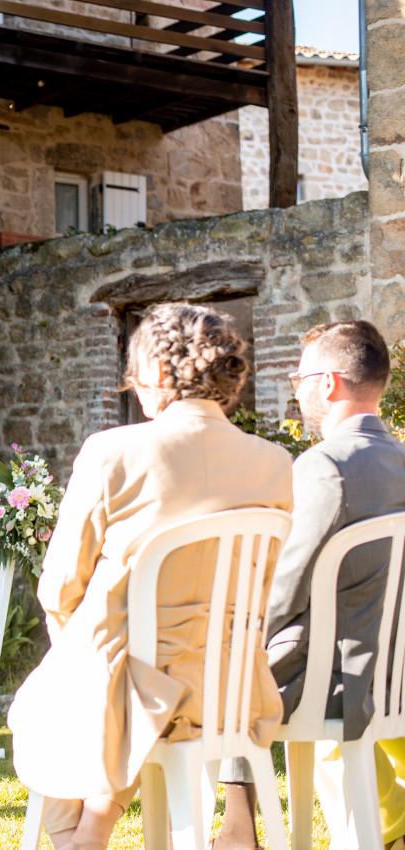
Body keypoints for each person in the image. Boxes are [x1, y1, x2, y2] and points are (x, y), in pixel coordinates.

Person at [7, 303, 293, 850]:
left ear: (159, 372)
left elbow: (60, 586)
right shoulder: (275, 463)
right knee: (100, 679)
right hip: (231, 690)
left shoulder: (113, 451)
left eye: (134, 374)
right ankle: (91, 826)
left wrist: (79, 649)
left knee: (51, 699)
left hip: (126, 686)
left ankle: (80, 836)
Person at [215, 320, 405, 850]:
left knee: (239, 663)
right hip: (396, 669)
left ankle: (237, 828)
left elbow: (282, 589)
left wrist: (237, 630)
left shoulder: (326, 466)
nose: (296, 391)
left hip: (341, 675)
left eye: (299, 379)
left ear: (328, 383)